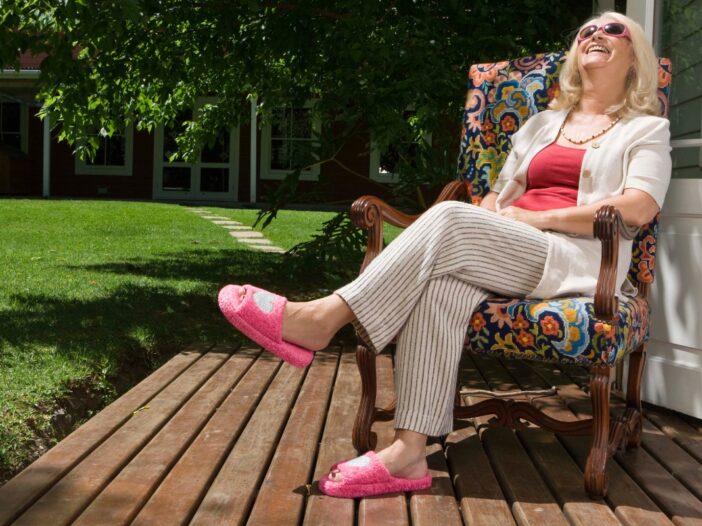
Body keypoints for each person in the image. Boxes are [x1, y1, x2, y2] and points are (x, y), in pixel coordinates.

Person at [218, 11, 671, 498]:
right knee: (440, 283)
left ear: (634, 58)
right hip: (509, 244)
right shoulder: (542, 125)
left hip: (572, 258)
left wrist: (536, 219)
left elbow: (638, 206)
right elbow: (499, 193)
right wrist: (498, 211)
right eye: (587, 30)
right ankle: (409, 454)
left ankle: (321, 319)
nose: (596, 34)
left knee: (449, 216)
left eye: (614, 29)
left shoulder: (645, 130)